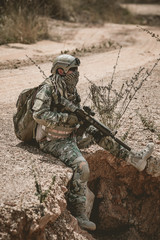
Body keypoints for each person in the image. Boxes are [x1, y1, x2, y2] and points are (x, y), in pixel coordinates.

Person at [32, 54, 154, 231]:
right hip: (52, 140)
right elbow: (39, 114)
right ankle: (80, 214)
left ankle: (133, 157)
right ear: (60, 70)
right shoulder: (48, 88)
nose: (76, 73)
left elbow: (77, 114)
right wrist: (68, 119)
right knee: (82, 168)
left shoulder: (70, 89)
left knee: (101, 133)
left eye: (76, 70)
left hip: (70, 135)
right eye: (72, 70)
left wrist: (83, 121)